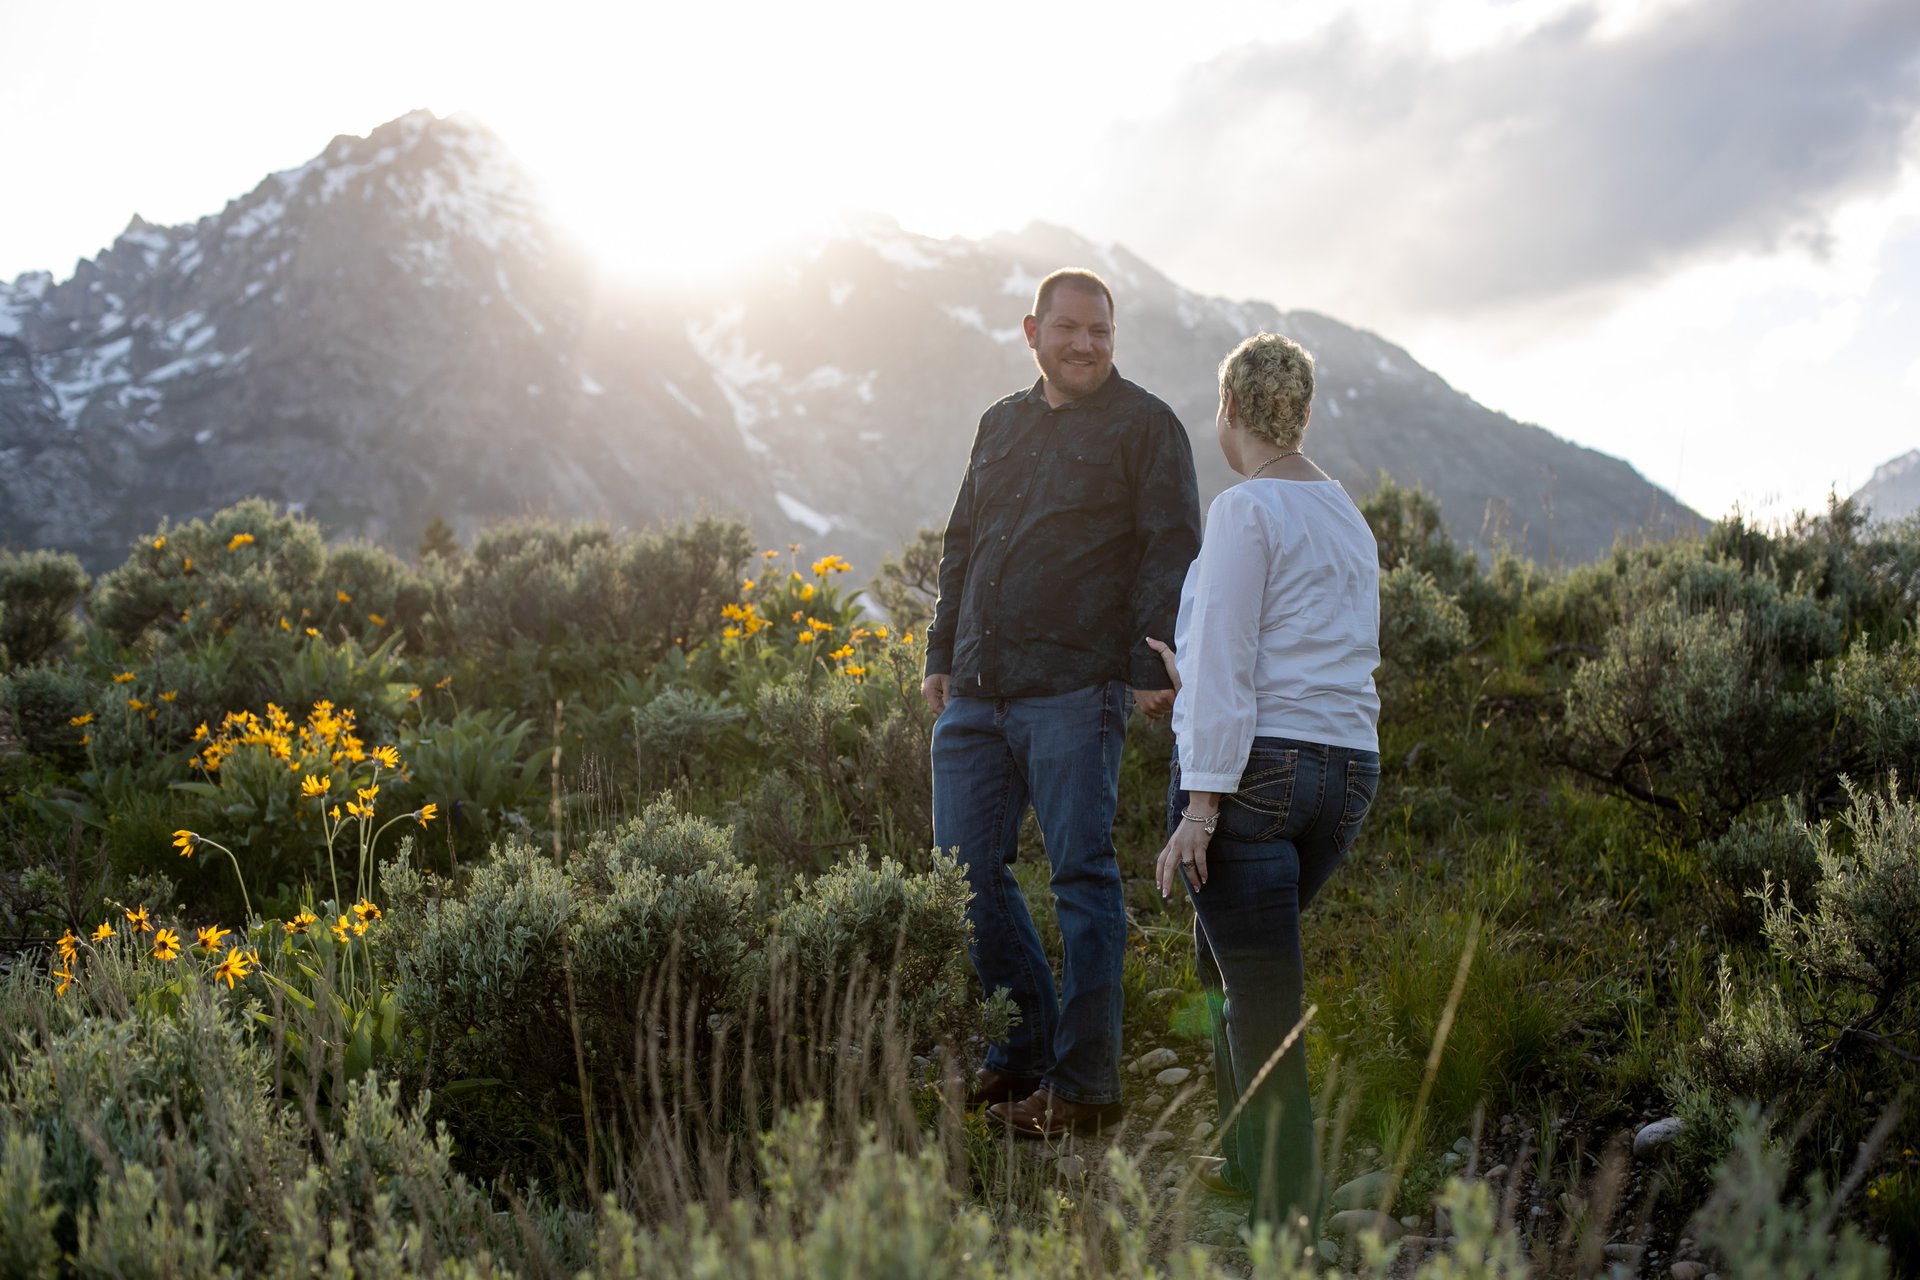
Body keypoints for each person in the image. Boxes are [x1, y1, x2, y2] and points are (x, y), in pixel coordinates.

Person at [923, 268, 1201, 1137]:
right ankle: (1021, 1055)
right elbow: (963, 538)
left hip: (1077, 692)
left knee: (1082, 879)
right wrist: (941, 650)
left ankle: (1083, 1087)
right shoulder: (999, 423)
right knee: (963, 874)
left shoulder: (1145, 426)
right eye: (1069, 328)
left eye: (1101, 332)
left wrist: (1146, 663)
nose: (1085, 344)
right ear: (1031, 331)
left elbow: (1171, 545)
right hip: (976, 691)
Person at [1146, 331, 1380, 1228]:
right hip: (1345, 775)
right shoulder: (1346, 513)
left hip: (1259, 775)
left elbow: (1237, 658)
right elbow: (1307, 645)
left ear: (1229, 410)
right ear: (1306, 413)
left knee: (1258, 985)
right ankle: (1248, 1159)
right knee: (1229, 960)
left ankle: (1288, 1208)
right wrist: (1190, 660)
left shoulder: (1247, 510)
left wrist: (1202, 808)